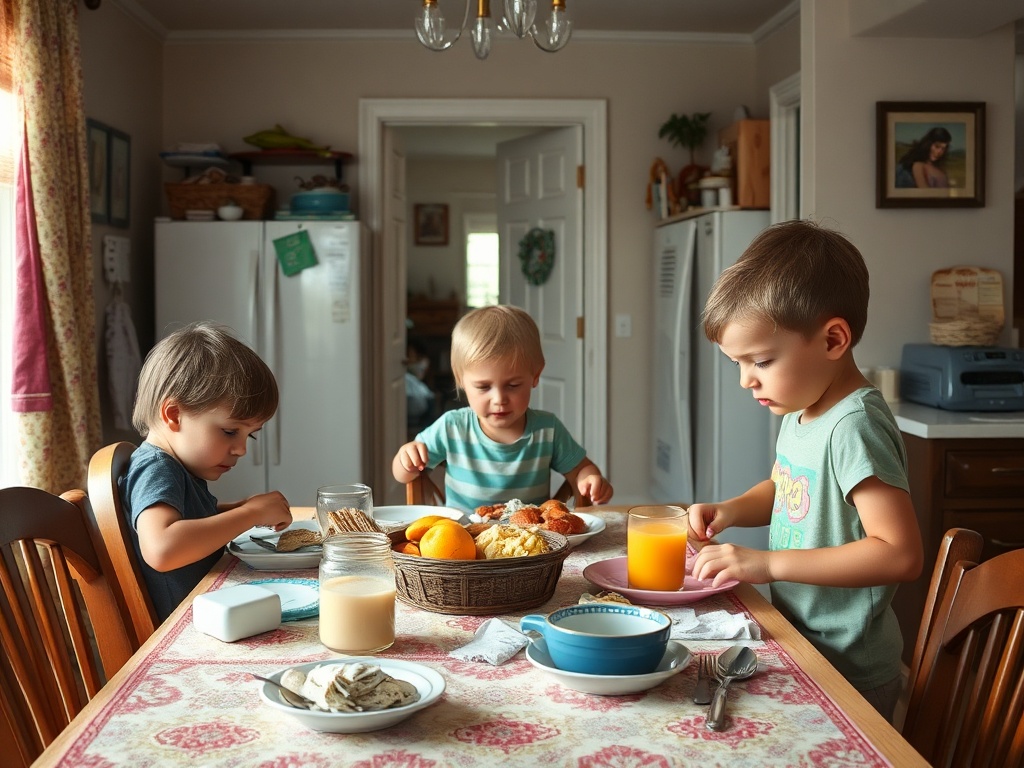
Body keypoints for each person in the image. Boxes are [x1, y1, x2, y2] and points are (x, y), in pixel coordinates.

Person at [687, 220, 923, 723]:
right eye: (738, 364)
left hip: (851, 667)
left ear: (833, 339)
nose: (747, 380)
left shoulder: (854, 426)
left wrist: (768, 565)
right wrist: (730, 510)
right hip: (804, 643)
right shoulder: (802, 411)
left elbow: (899, 554)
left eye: (763, 360)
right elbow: (785, 487)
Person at [122, 322, 292, 621]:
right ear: (174, 415)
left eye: (249, 435)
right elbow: (162, 548)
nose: (241, 449)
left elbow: (188, 520)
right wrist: (249, 515)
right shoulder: (156, 468)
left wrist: (237, 509)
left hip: (208, 616)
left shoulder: (177, 469)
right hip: (185, 630)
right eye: (230, 431)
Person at [392, 305, 613, 511]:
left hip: (531, 546)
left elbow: (581, 469)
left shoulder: (548, 430)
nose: (499, 399)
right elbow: (402, 475)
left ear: (535, 375)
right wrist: (406, 458)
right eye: (483, 387)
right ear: (461, 380)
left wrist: (591, 479)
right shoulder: (452, 427)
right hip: (464, 547)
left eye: (513, 385)